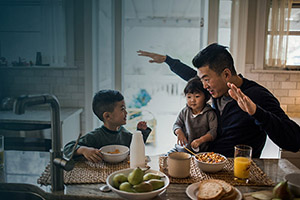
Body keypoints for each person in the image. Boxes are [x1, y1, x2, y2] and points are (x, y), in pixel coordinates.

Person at [137, 44, 300, 158]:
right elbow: (190, 75)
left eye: (206, 79)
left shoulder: (257, 96)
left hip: (233, 172)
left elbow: (294, 141)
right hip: (203, 161)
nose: (204, 86)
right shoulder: (216, 88)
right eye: (202, 80)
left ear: (226, 74)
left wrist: (257, 112)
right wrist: (168, 60)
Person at [63, 89, 151, 163]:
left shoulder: (125, 134)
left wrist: (140, 132)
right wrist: (83, 150)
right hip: (98, 174)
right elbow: (67, 148)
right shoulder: (95, 136)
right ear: (107, 116)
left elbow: (136, 149)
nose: (126, 112)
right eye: (122, 109)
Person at [171, 76, 218, 154]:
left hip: (202, 152)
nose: (192, 100)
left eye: (197, 96)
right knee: (168, 156)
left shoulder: (210, 114)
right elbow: (176, 124)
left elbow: (213, 132)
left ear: (206, 97)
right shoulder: (185, 111)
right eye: (189, 97)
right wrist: (179, 132)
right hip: (183, 149)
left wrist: (201, 140)